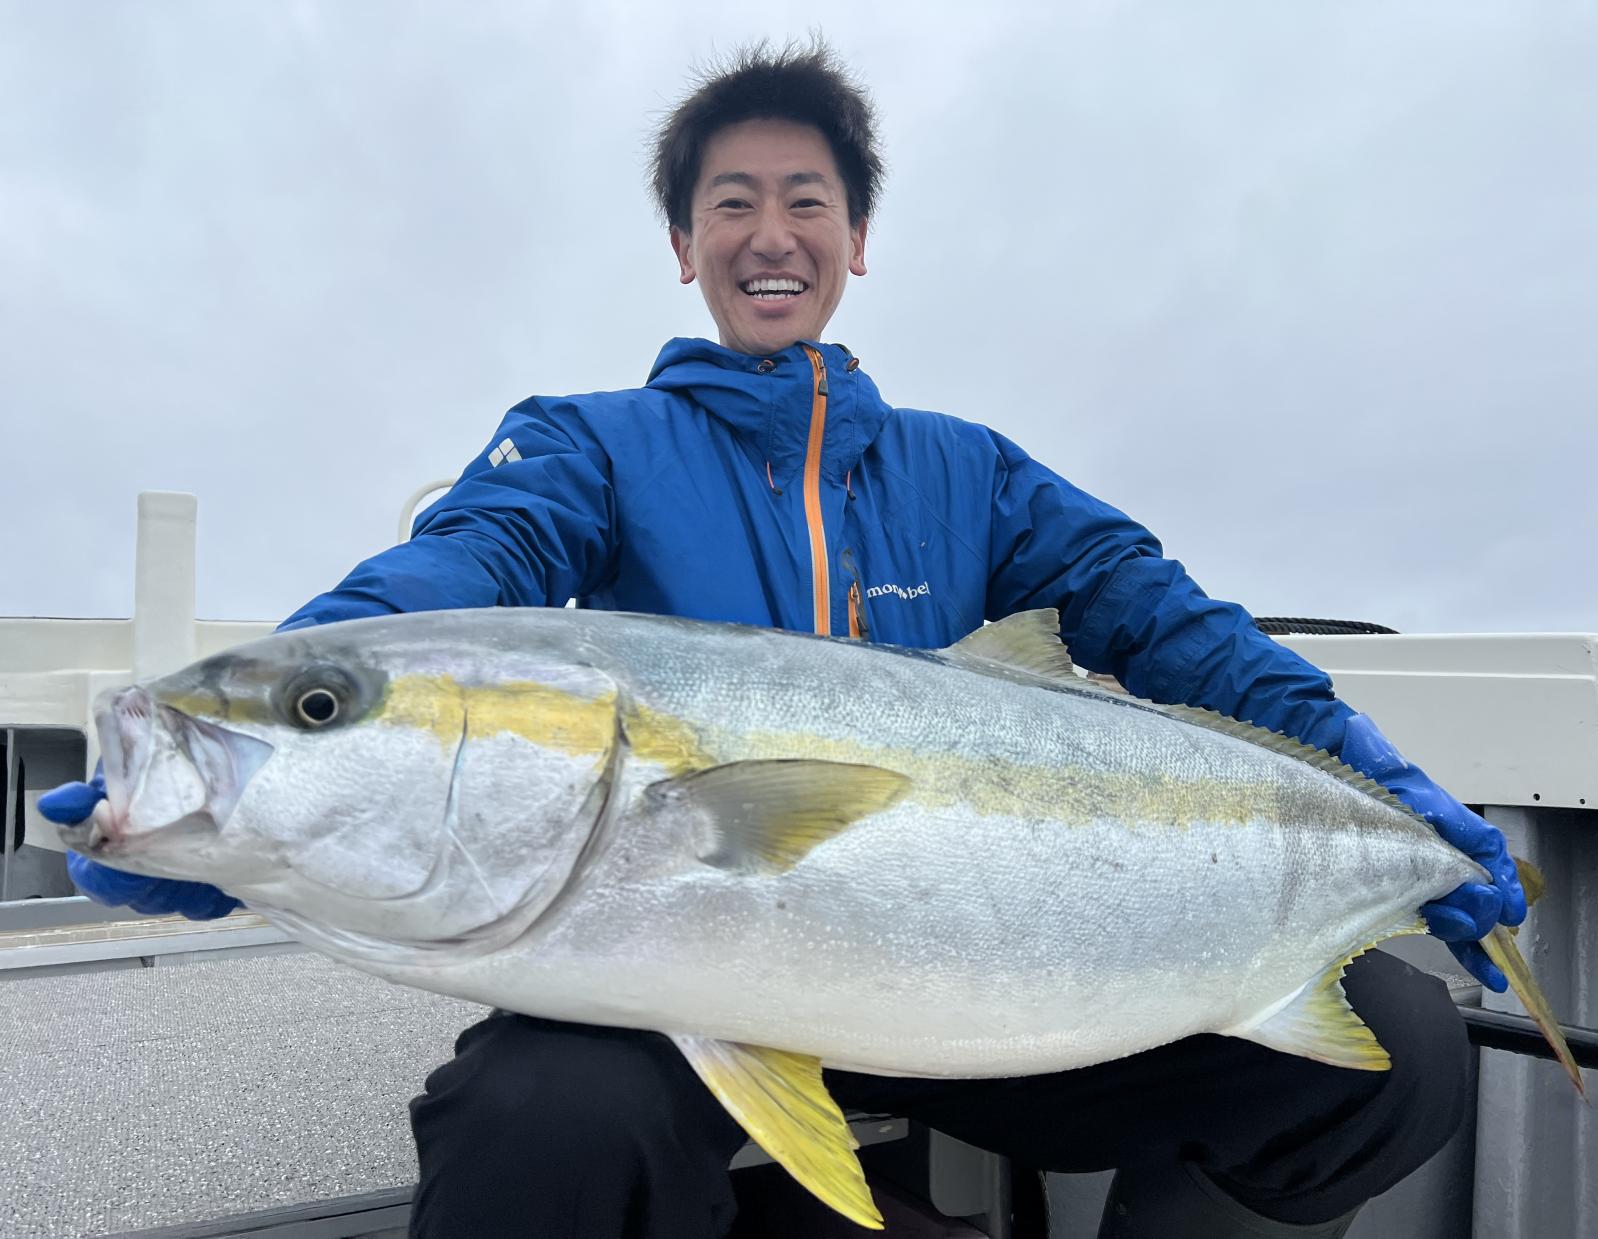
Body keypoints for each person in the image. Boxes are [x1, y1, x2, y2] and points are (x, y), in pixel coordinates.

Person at [41, 40, 1523, 1239]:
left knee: (1397, 1053)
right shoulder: (590, 448)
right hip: (661, 972)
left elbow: (1172, 627)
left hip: (971, 986)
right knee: (540, 1126)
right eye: (731, 202)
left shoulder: (975, 472)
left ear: (857, 239)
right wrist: (246, 786)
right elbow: (446, 583)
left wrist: (1388, 790)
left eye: (806, 200)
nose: (771, 234)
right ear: (683, 243)